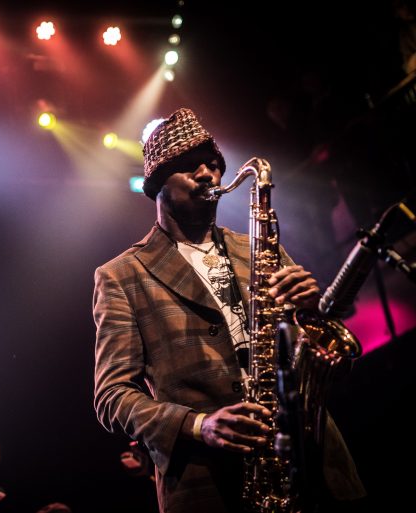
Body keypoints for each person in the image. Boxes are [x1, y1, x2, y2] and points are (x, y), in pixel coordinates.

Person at [93, 108, 365, 512]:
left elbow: (325, 358)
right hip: (211, 482)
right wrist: (199, 425)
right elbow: (112, 395)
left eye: (214, 164)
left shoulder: (259, 247)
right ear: (157, 183)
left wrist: (311, 311)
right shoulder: (121, 275)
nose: (208, 174)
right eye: (190, 164)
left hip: (314, 462)